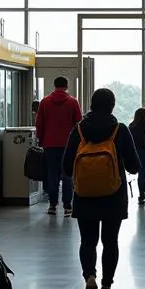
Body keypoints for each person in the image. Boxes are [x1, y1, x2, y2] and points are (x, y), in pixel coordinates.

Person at [63, 88, 140, 289]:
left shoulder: (78, 131)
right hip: (113, 196)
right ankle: (106, 288)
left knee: (87, 241)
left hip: (84, 195)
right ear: (112, 106)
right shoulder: (120, 130)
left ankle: (90, 278)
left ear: (91, 105)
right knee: (110, 242)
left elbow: (67, 167)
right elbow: (134, 167)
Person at [35, 76, 82, 217]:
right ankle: (68, 206)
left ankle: (52, 205)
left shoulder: (44, 102)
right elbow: (79, 124)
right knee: (68, 174)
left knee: (52, 174)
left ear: (54, 85)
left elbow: (39, 124)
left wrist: (41, 140)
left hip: (49, 144)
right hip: (68, 145)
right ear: (66, 86)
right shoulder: (73, 102)